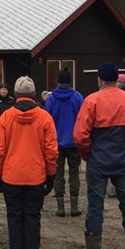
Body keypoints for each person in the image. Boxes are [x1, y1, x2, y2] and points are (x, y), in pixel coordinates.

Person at [73, 62, 125, 249]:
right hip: (123, 161)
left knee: (95, 205)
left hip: (98, 161)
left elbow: (80, 136)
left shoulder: (92, 101)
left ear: (99, 80)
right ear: (117, 79)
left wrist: (87, 154)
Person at [0, 76, 58, 249]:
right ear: (33, 94)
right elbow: (51, 151)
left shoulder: (5, 117)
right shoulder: (45, 117)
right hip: (35, 177)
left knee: (14, 219)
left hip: (11, 177)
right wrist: (51, 175)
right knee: (32, 218)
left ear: (16, 95)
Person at [45, 69, 84, 217]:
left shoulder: (51, 99)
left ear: (58, 81)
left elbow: (47, 121)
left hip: (56, 143)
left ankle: (60, 207)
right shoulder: (78, 97)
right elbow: (83, 118)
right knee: (74, 173)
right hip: (74, 143)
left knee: (58, 173)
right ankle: (74, 206)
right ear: (69, 81)